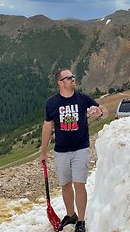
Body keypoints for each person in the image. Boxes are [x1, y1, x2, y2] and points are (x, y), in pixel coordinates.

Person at [39, 68, 108, 232]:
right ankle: (71, 215)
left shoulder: (83, 99)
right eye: (69, 78)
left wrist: (99, 112)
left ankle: (81, 221)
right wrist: (43, 151)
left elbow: (105, 112)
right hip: (60, 150)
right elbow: (47, 127)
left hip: (81, 149)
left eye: (73, 77)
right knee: (65, 185)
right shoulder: (52, 103)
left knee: (79, 184)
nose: (73, 79)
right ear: (60, 82)